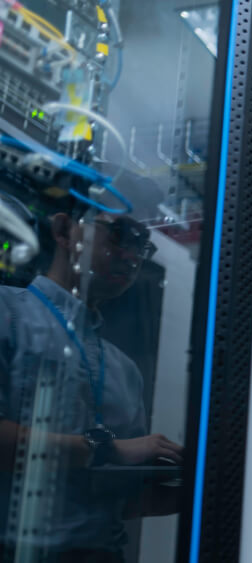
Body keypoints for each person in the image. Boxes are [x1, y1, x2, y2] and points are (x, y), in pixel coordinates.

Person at [0, 207, 183, 562]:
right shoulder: (6, 313)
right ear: (64, 230)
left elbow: (117, 501)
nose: (131, 257)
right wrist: (108, 449)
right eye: (119, 236)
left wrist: (199, 489)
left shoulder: (125, 370)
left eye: (142, 246)